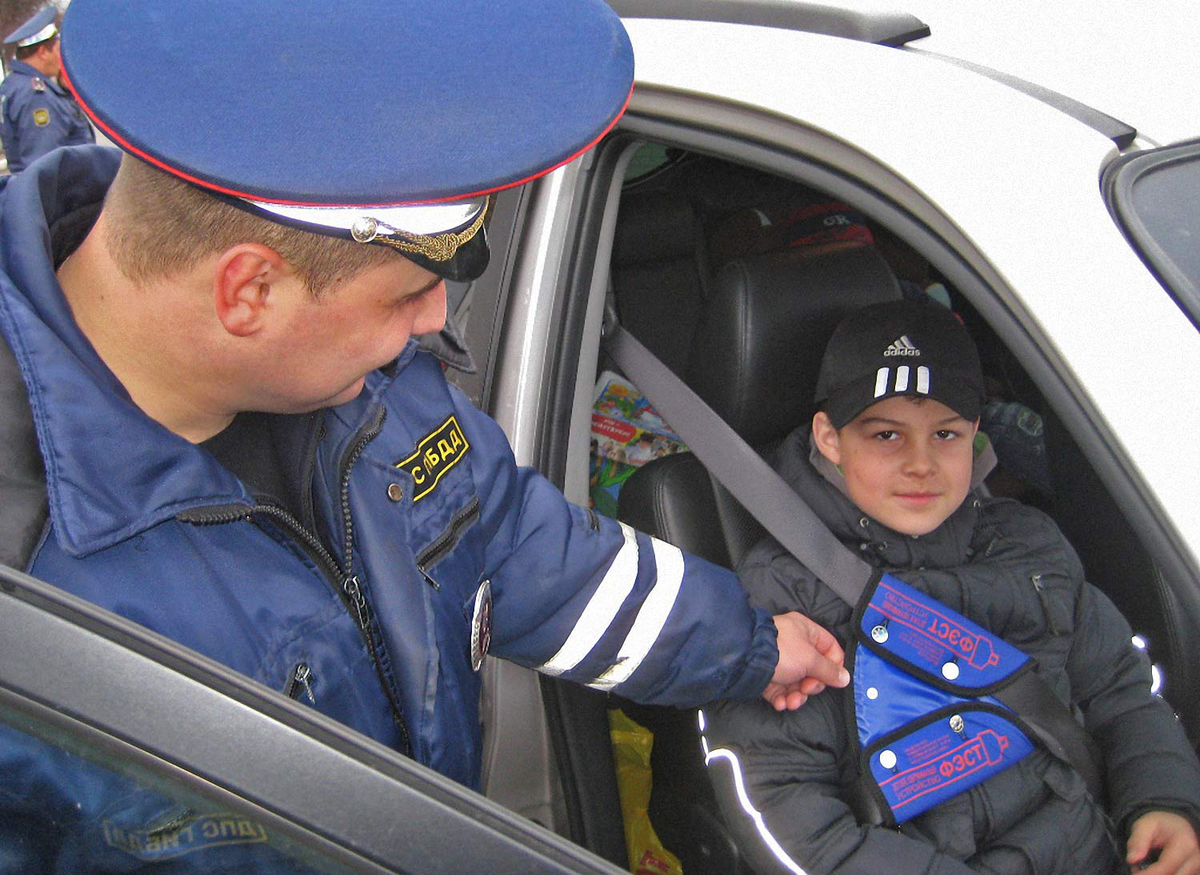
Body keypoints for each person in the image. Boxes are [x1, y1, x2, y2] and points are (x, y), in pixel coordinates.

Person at [0, 0, 848, 868]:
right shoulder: (27, 583)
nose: (438, 318)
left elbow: (515, 545)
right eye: (407, 294)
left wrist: (747, 644)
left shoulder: (368, 383)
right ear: (248, 293)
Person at [703, 299, 1200, 874]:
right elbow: (785, 812)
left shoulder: (1029, 544)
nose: (922, 463)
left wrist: (1161, 800)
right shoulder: (786, 595)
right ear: (831, 439)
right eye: (887, 435)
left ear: (975, 436)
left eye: (945, 434)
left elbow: (1120, 690)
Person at [0, 6, 93, 174]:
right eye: (58, 50)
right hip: (64, 196)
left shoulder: (15, 84)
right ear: (42, 52)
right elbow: (45, 168)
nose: (62, 57)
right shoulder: (36, 95)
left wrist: (65, 91)